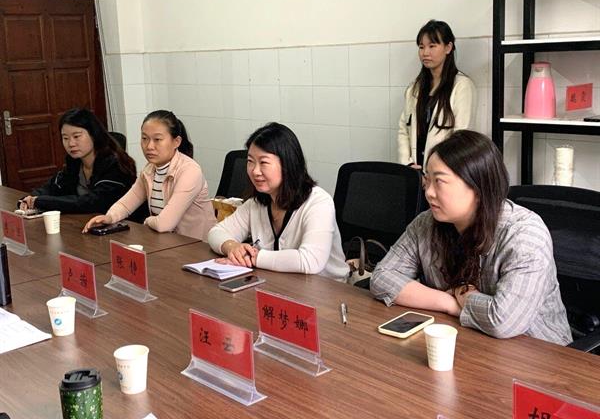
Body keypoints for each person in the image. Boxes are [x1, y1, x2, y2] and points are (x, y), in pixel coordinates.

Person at [371, 130, 572, 346]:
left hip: (540, 351)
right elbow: (382, 278)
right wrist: (448, 303)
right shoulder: (426, 223)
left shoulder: (524, 234)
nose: (428, 192)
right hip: (467, 340)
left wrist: (464, 297)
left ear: (477, 186)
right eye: (427, 180)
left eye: (439, 181)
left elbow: (503, 321)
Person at [207, 122, 348, 282]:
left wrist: (252, 257)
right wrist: (232, 247)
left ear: (287, 164)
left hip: (327, 289)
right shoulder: (257, 203)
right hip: (279, 284)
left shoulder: (318, 202)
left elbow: (310, 261)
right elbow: (216, 232)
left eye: (264, 163)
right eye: (250, 161)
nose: (255, 171)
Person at [83, 110, 216, 241]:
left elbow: (164, 224)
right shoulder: (149, 170)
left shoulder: (190, 171)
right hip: (168, 242)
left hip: (197, 246)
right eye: (144, 138)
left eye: (157, 139)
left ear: (176, 142)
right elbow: (126, 204)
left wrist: (147, 221)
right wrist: (109, 217)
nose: (149, 146)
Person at [18, 108, 137, 213]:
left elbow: (94, 202)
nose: (71, 143)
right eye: (65, 138)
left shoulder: (115, 164)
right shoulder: (74, 162)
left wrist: (41, 201)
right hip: (85, 222)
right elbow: (53, 186)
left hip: (124, 224)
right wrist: (29, 198)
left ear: (93, 134)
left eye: (76, 136)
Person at [398, 20, 476, 169]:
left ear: (448, 48)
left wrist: (437, 172)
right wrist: (407, 163)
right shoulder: (415, 88)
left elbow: (461, 137)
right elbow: (403, 129)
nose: (425, 53)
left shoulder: (462, 86)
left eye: (432, 46)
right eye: (421, 47)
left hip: (445, 171)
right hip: (415, 170)